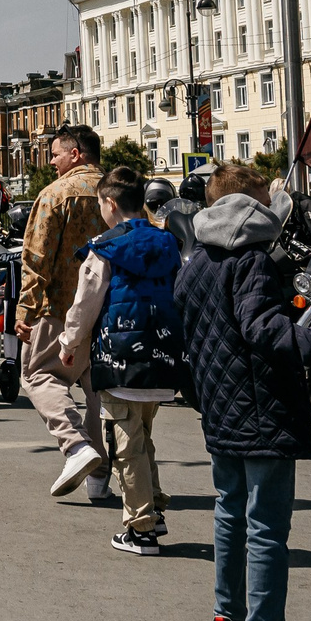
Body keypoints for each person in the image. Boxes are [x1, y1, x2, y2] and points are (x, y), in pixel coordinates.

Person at [176, 161, 311, 621]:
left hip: (219, 409)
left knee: (229, 516)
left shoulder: (197, 261)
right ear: (253, 208)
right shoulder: (251, 261)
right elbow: (264, 330)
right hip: (263, 408)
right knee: (267, 529)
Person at [55, 165, 183, 556]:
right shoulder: (168, 242)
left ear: (110, 204)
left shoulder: (105, 247)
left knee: (126, 444)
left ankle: (141, 529)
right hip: (162, 356)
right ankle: (154, 510)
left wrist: (69, 343)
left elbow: (86, 303)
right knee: (143, 435)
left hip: (121, 357)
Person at [18, 124, 109, 500]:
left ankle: (76, 446)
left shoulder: (55, 194)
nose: (51, 161)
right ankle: (99, 478)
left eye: (55, 154)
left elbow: (36, 258)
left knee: (38, 375)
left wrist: (25, 310)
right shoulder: (119, 191)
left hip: (59, 306)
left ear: (75, 154)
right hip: (110, 309)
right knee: (97, 391)